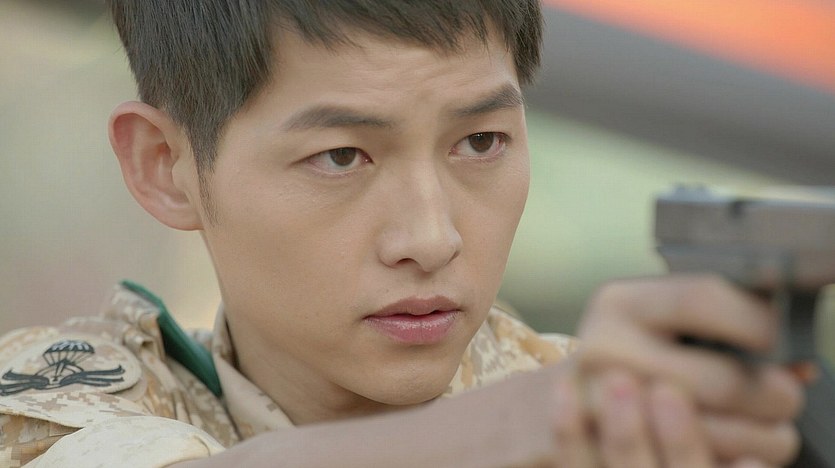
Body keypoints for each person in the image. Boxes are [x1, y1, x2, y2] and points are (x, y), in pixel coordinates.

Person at [0, 1, 805, 466]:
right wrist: (553, 420)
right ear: (165, 166)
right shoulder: (61, 399)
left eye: (480, 142)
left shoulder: (613, 412)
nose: (430, 236)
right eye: (339, 156)